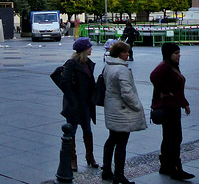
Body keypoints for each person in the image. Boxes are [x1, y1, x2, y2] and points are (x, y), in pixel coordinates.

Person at [101, 41, 147, 184]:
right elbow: (127, 93)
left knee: (111, 140)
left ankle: (106, 171)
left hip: (111, 107)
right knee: (121, 142)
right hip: (122, 111)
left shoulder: (108, 66)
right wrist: (137, 106)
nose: (128, 54)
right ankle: (119, 175)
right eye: (125, 52)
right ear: (118, 53)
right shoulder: (121, 69)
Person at [150, 43, 194, 180]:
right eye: (176, 53)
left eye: (178, 52)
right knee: (175, 137)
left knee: (169, 137)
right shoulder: (164, 66)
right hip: (168, 107)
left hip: (172, 106)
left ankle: (165, 166)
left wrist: (184, 103)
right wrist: (166, 91)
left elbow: (177, 89)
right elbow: (153, 76)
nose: (179, 55)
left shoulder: (172, 67)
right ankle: (176, 168)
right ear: (168, 54)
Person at [60, 37, 98, 172]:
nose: (91, 49)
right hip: (75, 103)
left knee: (87, 129)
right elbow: (65, 83)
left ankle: (90, 156)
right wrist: (72, 99)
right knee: (72, 130)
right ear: (84, 49)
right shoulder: (72, 64)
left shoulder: (88, 63)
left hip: (86, 102)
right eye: (89, 47)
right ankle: (72, 159)